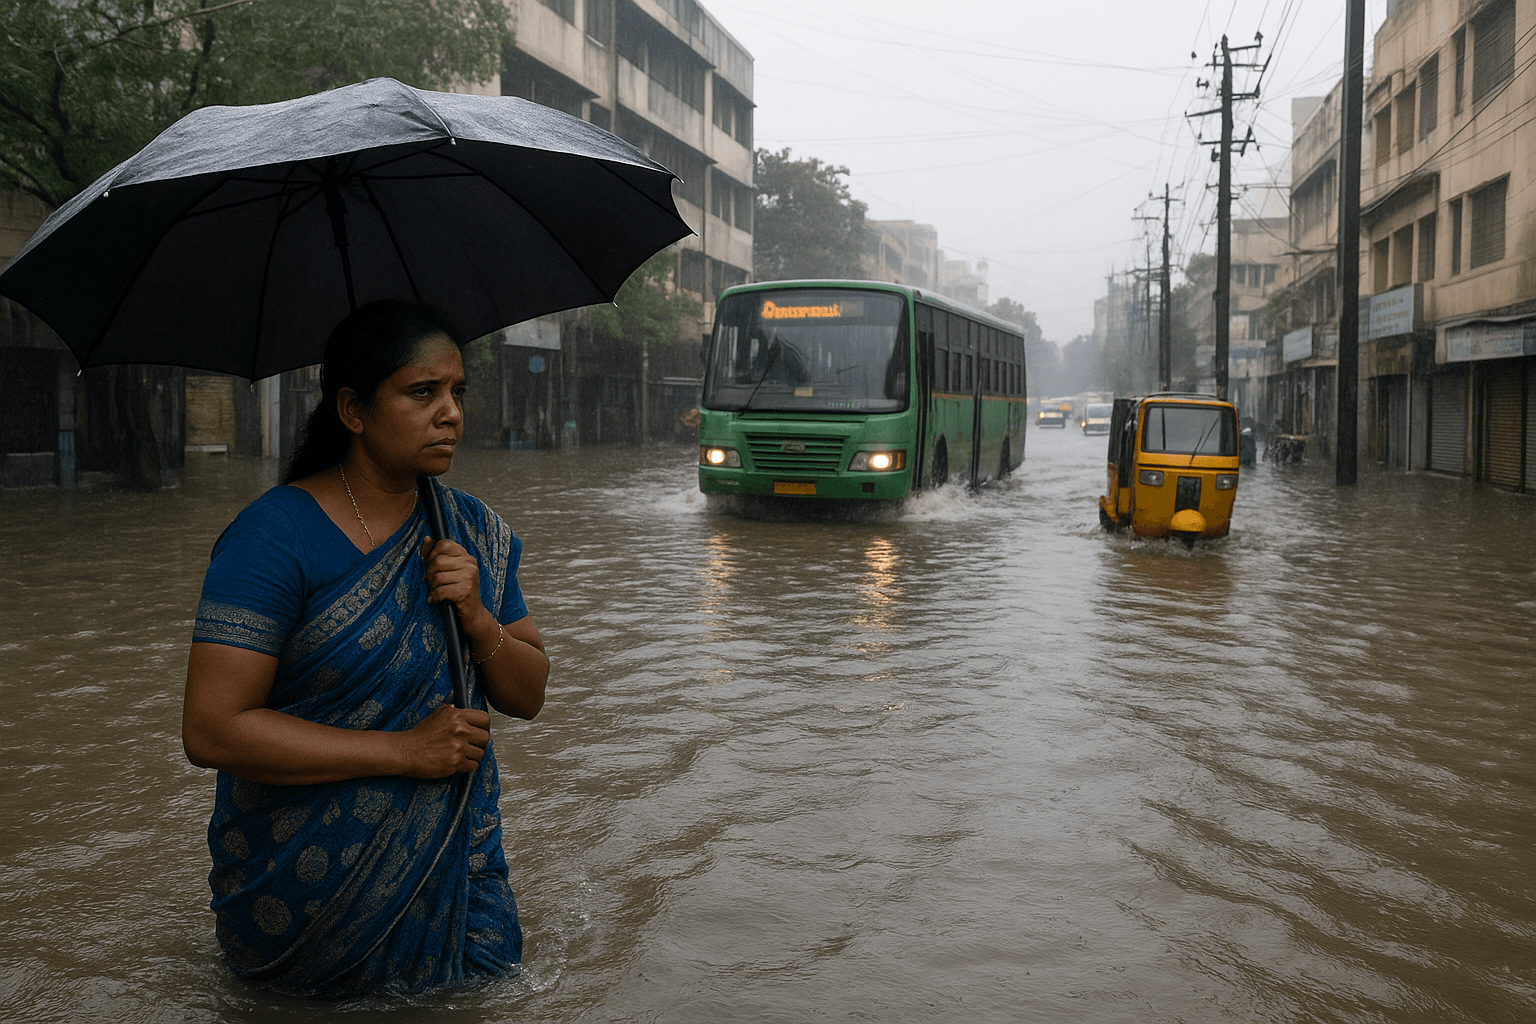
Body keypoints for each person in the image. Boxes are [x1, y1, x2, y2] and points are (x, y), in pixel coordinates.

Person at [181, 300, 549, 996]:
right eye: (422, 392)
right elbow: (211, 728)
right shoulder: (272, 537)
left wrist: (478, 617)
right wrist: (404, 753)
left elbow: (528, 694)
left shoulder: (471, 531)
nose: (450, 413)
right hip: (302, 904)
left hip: (457, 881)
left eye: (457, 392)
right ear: (353, 409)